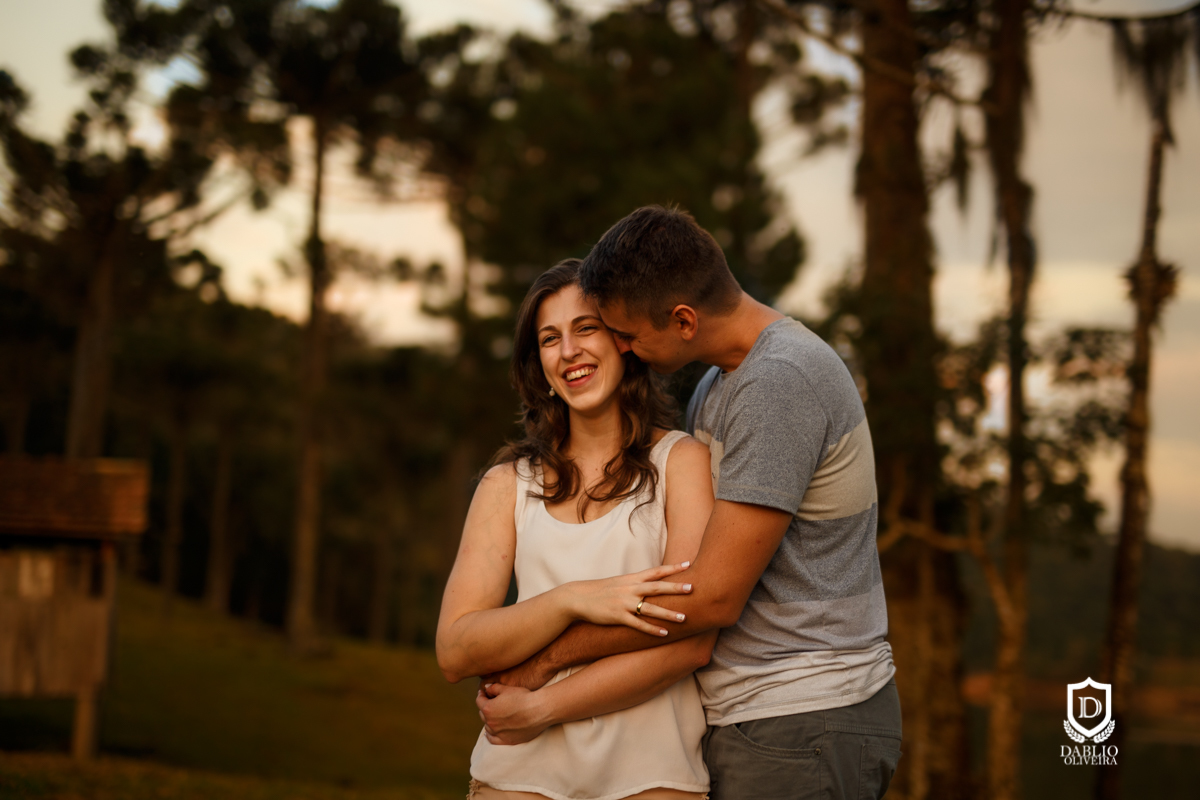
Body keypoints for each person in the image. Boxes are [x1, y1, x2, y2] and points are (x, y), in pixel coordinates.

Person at [477, 206, 902, 800]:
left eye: (626, 333)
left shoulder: (780, 384)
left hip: (804, 712)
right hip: (757, 716)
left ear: (682, 319)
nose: (623, 348)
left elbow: (709, 597)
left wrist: (546, 661)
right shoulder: (719, 384)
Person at [436, 258, 721, 800]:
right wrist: (573, 600)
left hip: (653, 778)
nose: (569, 351)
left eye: (585, 328)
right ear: (537, 362)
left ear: (622, 340)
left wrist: (542, 706)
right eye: (549, 338)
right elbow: (456, 649)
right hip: (517, 778)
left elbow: (690, 640)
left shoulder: (681, 464)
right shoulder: (506, 485)